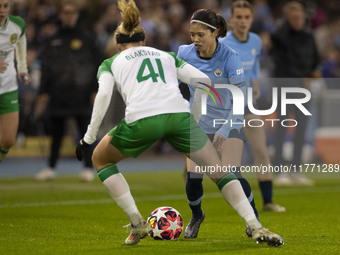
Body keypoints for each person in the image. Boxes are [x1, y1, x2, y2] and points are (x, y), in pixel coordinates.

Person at [75, 0, 283, 247]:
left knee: (101, 159)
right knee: (220, 172)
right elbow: (203, 82)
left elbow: (104, 97)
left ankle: (137, 222)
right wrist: (192, 120)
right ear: (143, 41)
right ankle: (256, 226)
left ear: (118, 45)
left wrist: (88, 138)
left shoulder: (110, 63)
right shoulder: (167, 55)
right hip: (179, 117)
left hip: (144, 119)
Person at [178, 8, 263, 239]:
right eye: (192, 34)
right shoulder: (184, 53)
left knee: (232, 174)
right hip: (198, 124)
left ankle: (253, 220)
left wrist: (225, 130)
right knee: (193, 177)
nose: (195, 40)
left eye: (200, 35)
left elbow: (240, 97)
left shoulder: (230, 56)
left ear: (214, 33)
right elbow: (171, 82)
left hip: (229, 120)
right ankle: (196, 216)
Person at [220, 0, 285, 212]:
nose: (242, 21)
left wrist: (255, 83)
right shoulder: (222, 44)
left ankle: (268, 201)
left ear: (251, 19)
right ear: (231, 19)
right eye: (238, 17)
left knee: (261, 152)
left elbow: (254, 64)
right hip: (227, 107)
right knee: (224, 158)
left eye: (246, 17)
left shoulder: (256, 41)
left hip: (249, 105)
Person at [34, 0, 102, 181]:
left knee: (85, 133)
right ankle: (51, 167)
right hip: (58, 95)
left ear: (77, 15)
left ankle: (88, 167)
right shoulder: (52, 40)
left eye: (72, 12)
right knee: (56, 135)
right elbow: (45, 68)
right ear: (60, 15)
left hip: (82, 95)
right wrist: (42, 93)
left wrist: (96, 90)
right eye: (66, 12)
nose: (69, 16)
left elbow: (99, 66)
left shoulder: (88, 39)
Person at [270, 1, 320, 186]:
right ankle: (279, 170)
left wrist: (311, 76)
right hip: (283, 87)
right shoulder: (281, 36)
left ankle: (296, 170)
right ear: (287, 18)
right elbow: (277, 48)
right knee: (282, 129)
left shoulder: (309, 37)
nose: (297, 20)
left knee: (301, 129)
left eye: (299, 17)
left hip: (303, 88)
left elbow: (315, 61)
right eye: (292, 17)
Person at [0, 0, 30, 163]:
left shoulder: (17, 25)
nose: (2, 10)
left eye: (5, 6)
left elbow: (21, 41)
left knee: (8, 141)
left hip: (8, 87)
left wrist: (22, 68)